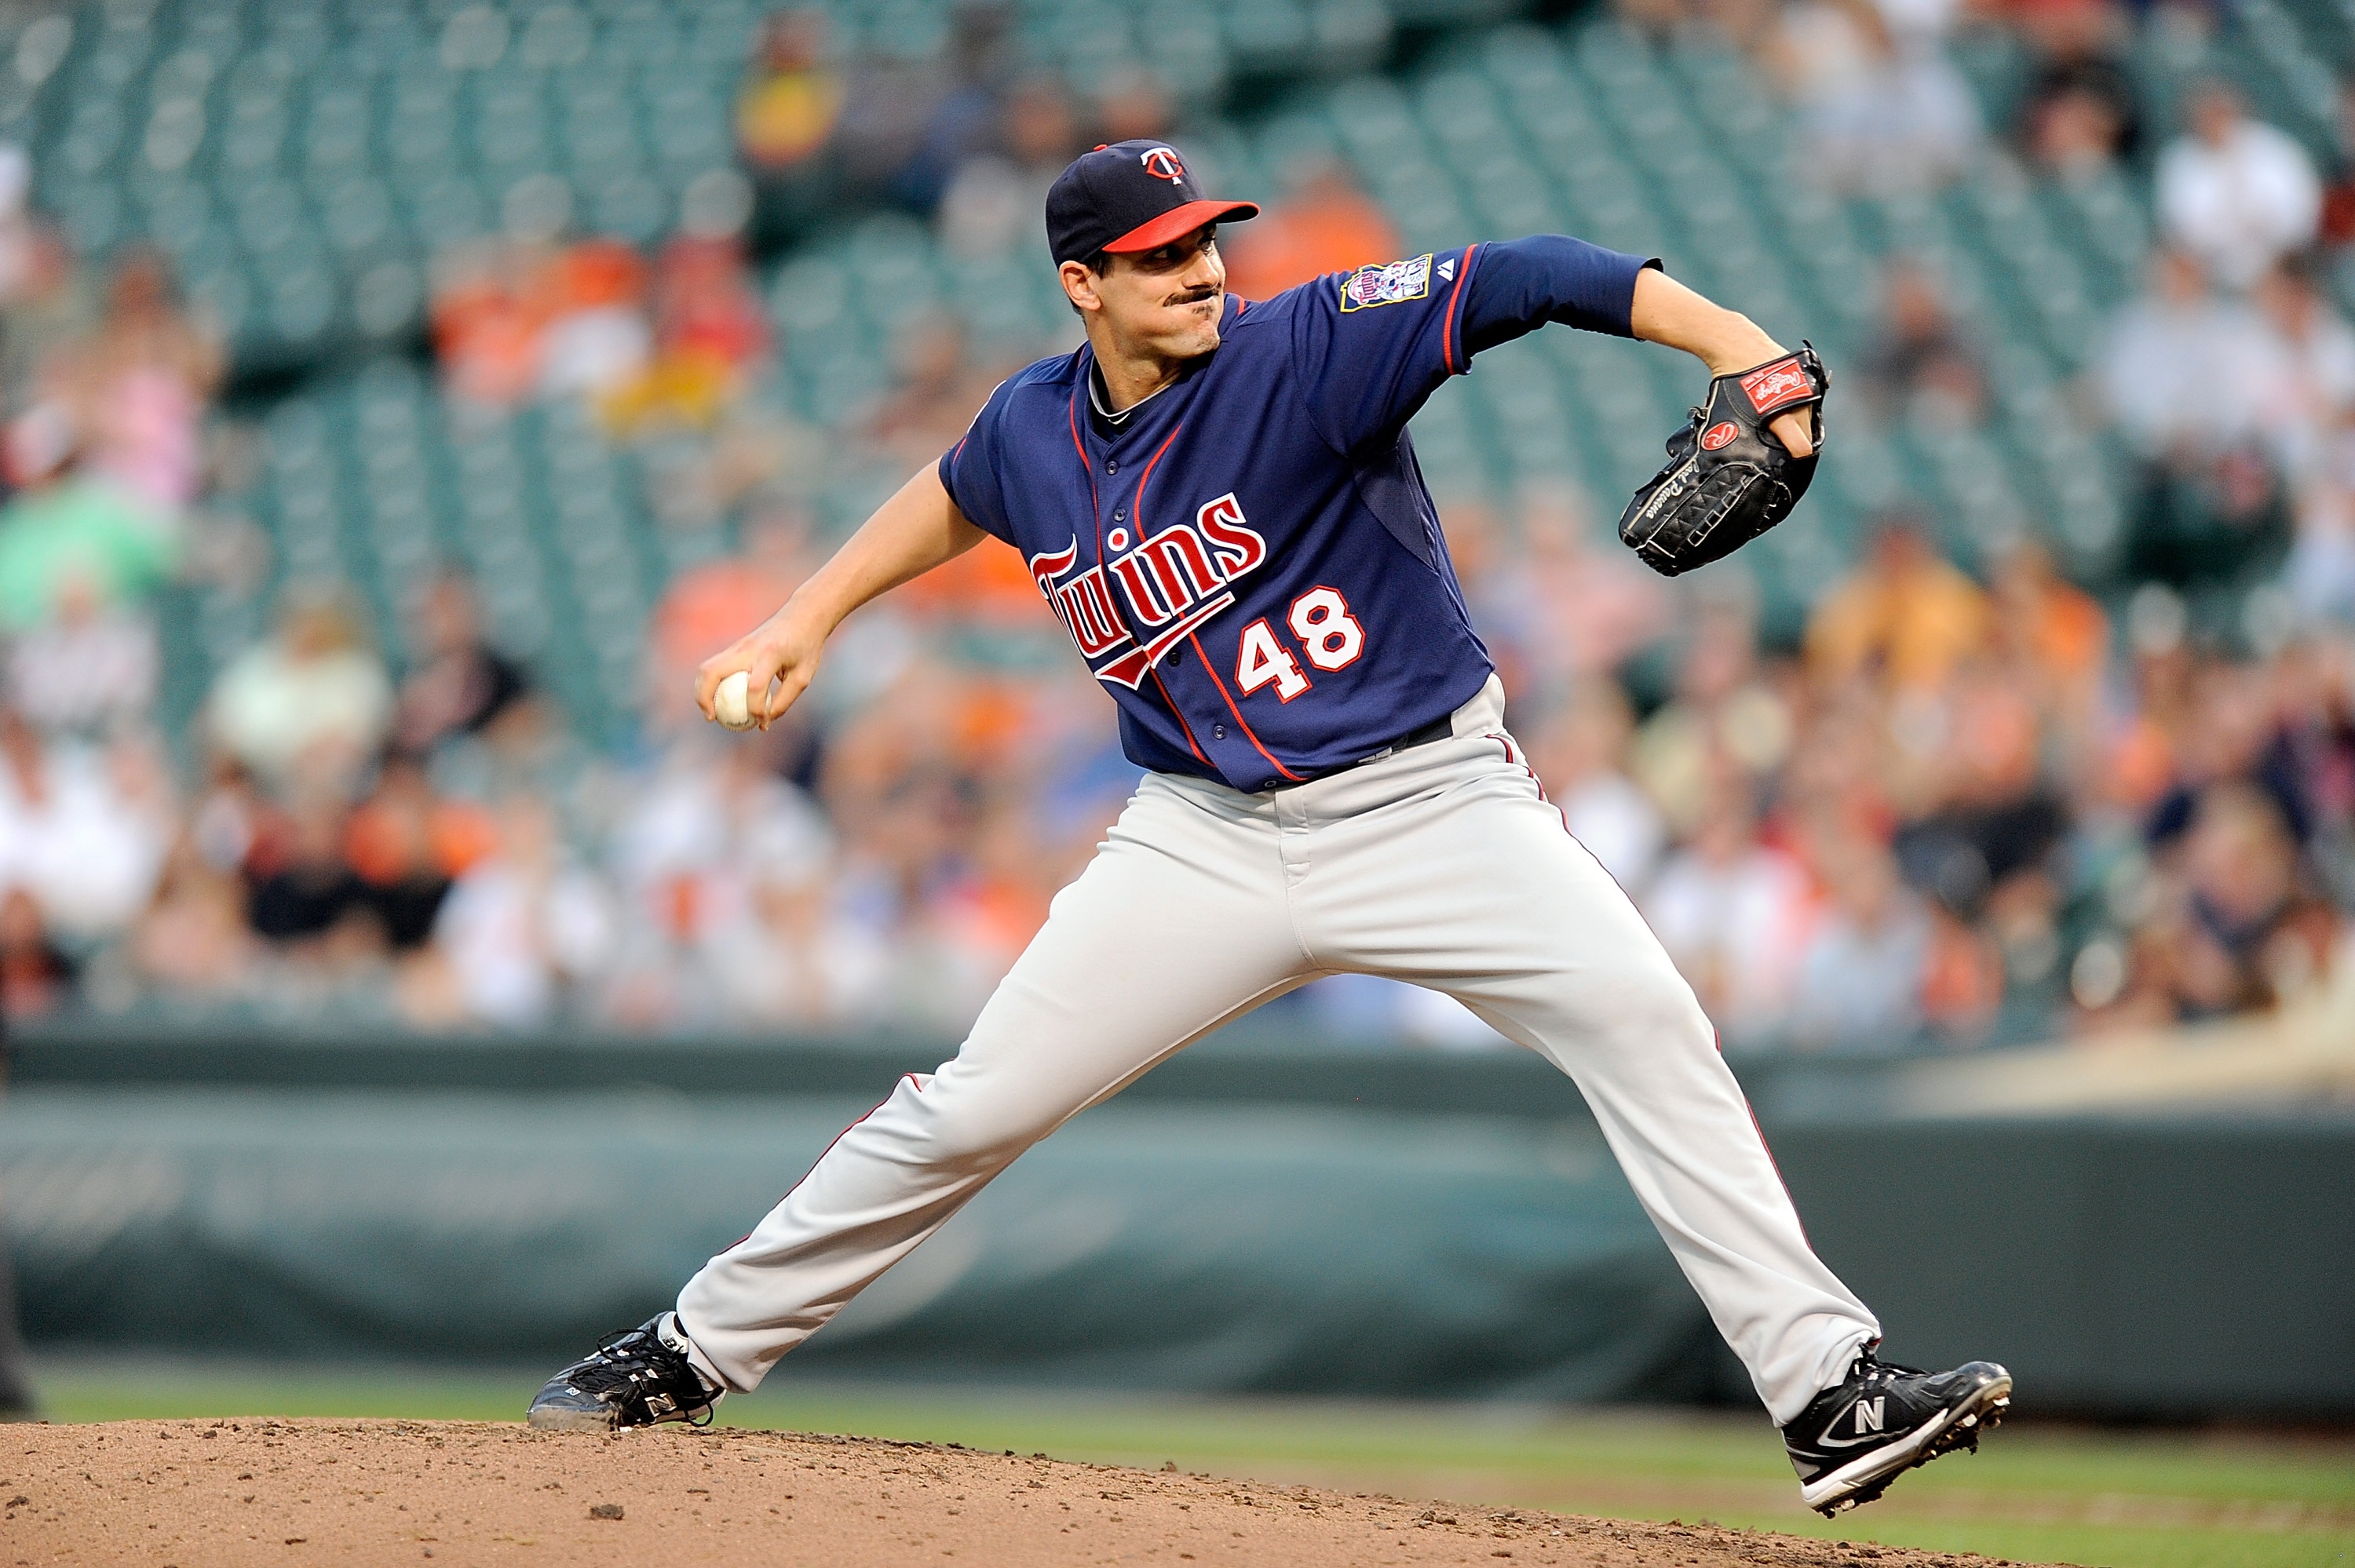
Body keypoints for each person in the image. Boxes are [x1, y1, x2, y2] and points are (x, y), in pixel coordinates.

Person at [526, 140, 2009, 1515]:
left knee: (1649, 1026)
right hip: (1200, 839)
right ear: (1082, 284)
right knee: (972, 1104)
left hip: (1433, 803)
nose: (1202, 271)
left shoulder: (1306, 347)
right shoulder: (1033, 425)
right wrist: (805, 613)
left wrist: (1734, 343)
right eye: (1162, 254)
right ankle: (690, 1347)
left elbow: (1525, 272)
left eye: (1209, 241)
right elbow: (957, 490)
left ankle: (1831, 1396)